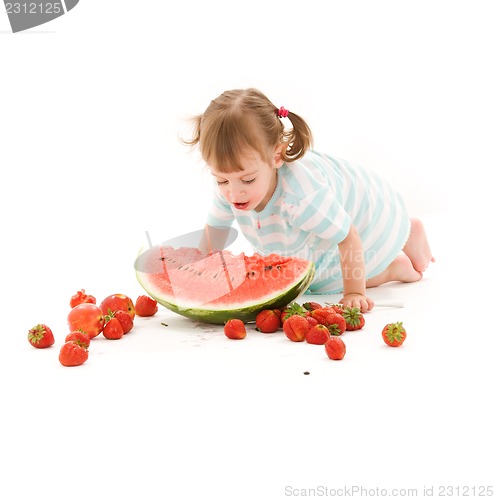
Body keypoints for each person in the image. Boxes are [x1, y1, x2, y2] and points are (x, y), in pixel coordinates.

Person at [182, 88, 434, 313]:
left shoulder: (302, 198)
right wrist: (196, 274)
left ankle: (396, 261)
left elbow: (348, 237)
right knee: (296, 273)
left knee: (327, 280)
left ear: (276, 157)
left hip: (364, 218)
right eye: (221, 181)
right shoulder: (233, 179)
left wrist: (355, 293)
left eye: (247, 180)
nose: (233, 194)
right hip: (310, 234)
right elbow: (215, 232)